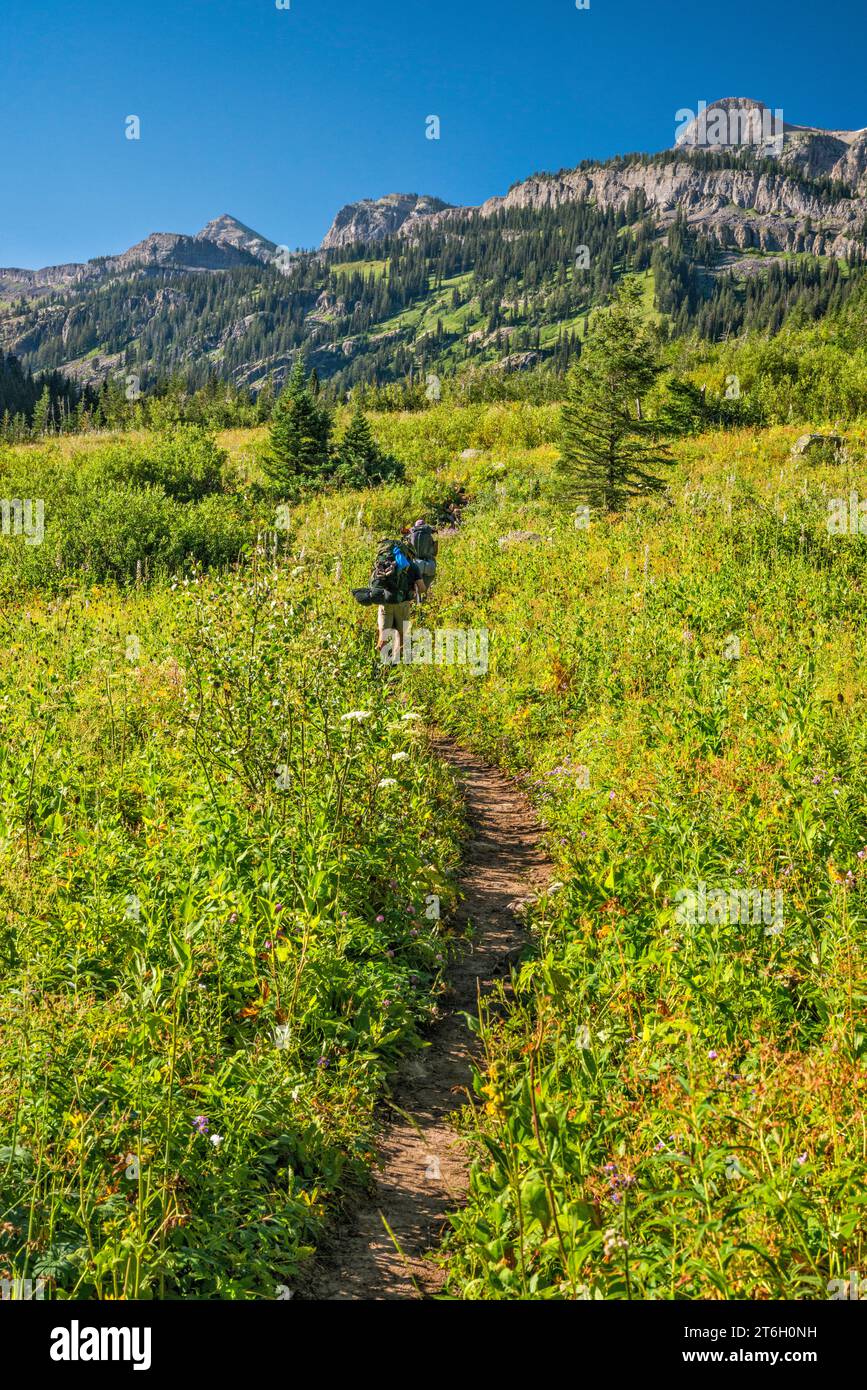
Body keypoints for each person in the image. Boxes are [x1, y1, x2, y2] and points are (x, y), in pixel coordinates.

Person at [406, 518, 438, 596]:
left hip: (415, 564)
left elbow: (407, 552)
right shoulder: (430, 535)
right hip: (429, 564)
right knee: (426, 585)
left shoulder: (410, 536)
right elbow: (435, 553)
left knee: (412, 586)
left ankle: (415, 600)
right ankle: (425, 597)